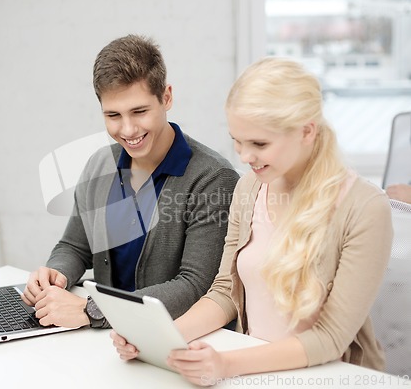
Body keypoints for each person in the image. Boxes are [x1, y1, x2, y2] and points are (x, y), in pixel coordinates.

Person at [111, 57, 393, 386]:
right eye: (238, 141)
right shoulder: (250, 187)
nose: (244, 157)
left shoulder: (365, 207)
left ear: (306, 131)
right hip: (255, 369)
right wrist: (161, 338)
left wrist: (225, 364)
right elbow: (227, 292)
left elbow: (330, 338)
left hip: (330, 376)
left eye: (259, 144)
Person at [21, 34, 239, 329]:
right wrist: (56, 273)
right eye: (113, 115)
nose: (127, 129)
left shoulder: (213, 179)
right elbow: (74, 246)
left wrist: (93, 311)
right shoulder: (100, 164)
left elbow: (196, 286)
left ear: (166, 97)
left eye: (139, 111)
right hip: (110, 338)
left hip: (173, 342)